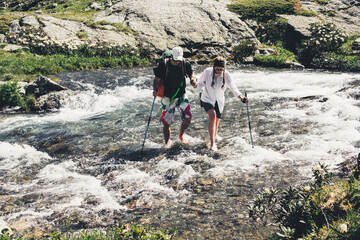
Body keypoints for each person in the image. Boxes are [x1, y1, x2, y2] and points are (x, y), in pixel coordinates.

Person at [192, 57, 248, 151]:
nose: (219, 71)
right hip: (207, 98)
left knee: (216, 121)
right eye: (217, 69)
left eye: (221, 69)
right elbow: (200, 84)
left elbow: (233, 87)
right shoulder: (207, 72)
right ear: (213, 67)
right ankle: (212, 143)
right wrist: (195, 85)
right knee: (212, 116)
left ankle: (213, 136)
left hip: (219, 100)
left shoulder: (227, 75)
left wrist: (241, 97)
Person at [152, 46, 196, 146]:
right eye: (176, 60)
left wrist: (192, 80)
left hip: (181, 94)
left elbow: (191, 74)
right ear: (171, 56)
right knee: (166, 122)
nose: (177, 62)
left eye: (179, 60)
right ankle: (167, 142)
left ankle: (180, 135)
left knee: (188, 117)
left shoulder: (185, 63)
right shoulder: (164, 64)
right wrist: (155, 89)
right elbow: (156, 80)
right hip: (167, 96)